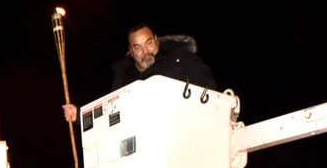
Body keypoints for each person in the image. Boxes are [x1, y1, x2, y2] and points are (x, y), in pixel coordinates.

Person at [63, 23, 217, 121]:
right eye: (137, 47)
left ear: (156, 40)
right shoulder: (123, 78)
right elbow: (110, 111)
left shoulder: (183, 59)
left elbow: (209, 91)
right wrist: (79, 115)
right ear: (131, 51)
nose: (145, 51)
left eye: (148, 43)